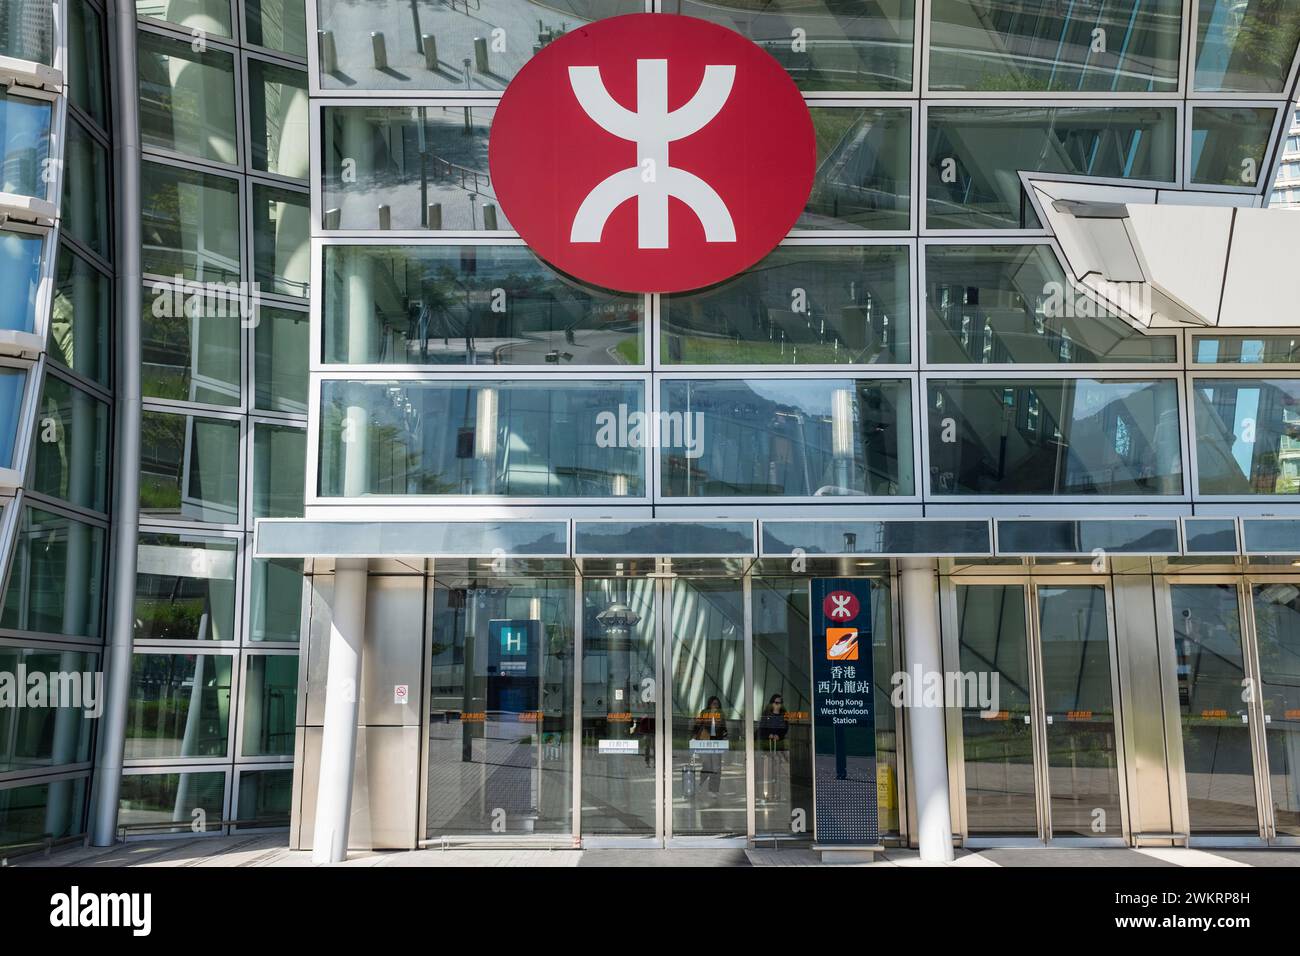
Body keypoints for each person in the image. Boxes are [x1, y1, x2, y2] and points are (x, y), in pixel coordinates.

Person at [691, 696, 728, 796]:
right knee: (707, 765)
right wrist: (694, 738)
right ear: (709, 704)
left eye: (717, 704)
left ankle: (713, 790)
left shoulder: (721, 714)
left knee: (716, 767)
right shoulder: (704, 712)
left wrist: (725, 738)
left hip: (717, 742)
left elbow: (724, 728)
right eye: (713, 703)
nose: (715, 705)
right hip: (705, 741)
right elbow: (697, 726)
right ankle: (700, 783)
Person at [757, 694, 788, 803]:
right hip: (768, 746)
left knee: (778, 771)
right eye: (776, 702)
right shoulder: (766, 714)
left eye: (780, 703)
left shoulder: (783, 715)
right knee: (768, 770)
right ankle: (767, 793)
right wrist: (768, 735)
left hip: (778, 745)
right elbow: (762, 729)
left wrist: (779, 735)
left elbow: (785, 728)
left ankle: (777, 793)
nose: (778, 705)